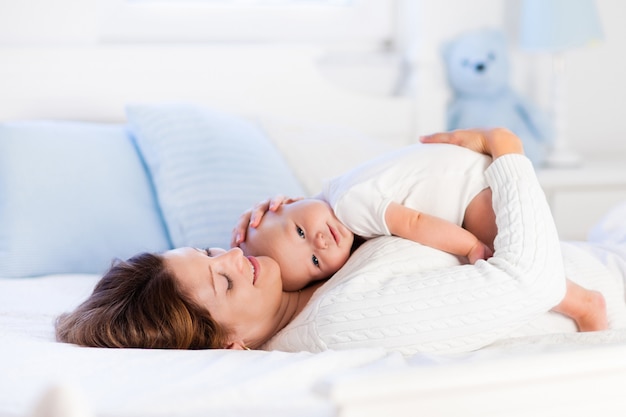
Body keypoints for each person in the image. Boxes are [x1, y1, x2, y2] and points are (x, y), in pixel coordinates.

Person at [55, 128, 626, 355]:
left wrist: (298, 222)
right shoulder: (338, 325)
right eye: (223, 280)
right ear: (230, 345)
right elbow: (533, 280)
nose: (233, 256)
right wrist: (506, 149)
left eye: (209, 251)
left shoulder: (307, 283)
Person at [231, 134, 606, 331]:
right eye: (315, 260)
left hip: (472, 189)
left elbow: (415, 224)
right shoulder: (330, 196)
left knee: (516, 261)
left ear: (292, 200)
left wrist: (472, 245)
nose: (321, 241)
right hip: (469, 172)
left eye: (300, 231)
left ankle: (582, 302)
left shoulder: (349, 206)